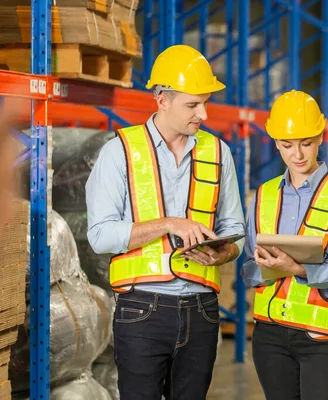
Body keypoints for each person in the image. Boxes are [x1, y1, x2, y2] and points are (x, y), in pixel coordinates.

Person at [86, 44, 245, 400]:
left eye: (205, 102)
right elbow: (99, 235)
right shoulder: (120, 152)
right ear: (161, 100)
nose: (203, 113)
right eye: (192, 104)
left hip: (202, 310)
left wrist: (225, 253)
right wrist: (169, 223)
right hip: (142, 310)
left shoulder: (220, 153)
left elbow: (236, 227)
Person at [241, 89, 328, 400]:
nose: (297, 154)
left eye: (306, 143)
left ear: (321, 136)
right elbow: (247, 269)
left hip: (322, 337)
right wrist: (263, 268)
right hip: (270, 335)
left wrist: (295, 268)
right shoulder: (263, 196)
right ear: (276, 142)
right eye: (287, 145)